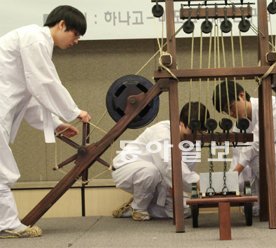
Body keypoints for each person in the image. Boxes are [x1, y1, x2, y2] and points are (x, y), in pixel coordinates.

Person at [0, 5, 91, 239]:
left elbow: (30, 96)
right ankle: (6, 223)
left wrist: (55, 123)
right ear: (61, 24)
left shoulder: (32, 41)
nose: (77, 40)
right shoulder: (34, 38)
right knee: (3, 171)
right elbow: (44, 82)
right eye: (76, 34)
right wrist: (73, 110)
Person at [213, 80, 276, 219]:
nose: (231, 113)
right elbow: (238, 159)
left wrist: (234, 173)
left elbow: (258, 144)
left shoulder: (271, 105)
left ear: (242, 96)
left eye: (231, 107)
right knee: (256, 208)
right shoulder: (239, 127)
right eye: (226, 111)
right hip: (275, 156)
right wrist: (230, 186)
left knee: (258, 156)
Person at [111, 102, 209, 221]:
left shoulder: (193, 143)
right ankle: (139, 208)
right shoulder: (162, 132)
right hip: (127, 168)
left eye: (200, 132)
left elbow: (180, 175)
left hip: (160, 178)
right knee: (150, 172)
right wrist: (198, 182)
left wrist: (178, 195)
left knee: (184, 211)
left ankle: (135, 207)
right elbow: (168, 165)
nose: (195, 136)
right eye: (192, 132)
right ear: (181, 124)